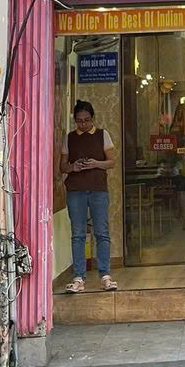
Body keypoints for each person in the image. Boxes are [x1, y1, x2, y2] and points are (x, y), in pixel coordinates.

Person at [60, 99, 117, 293]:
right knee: (78, 233)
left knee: (102, 232)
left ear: (93, 118)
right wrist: (73, 167)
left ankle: (105, 275)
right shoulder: (69, 138)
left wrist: (95, 163)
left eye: (86, 120)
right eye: (79, 121)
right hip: (75, 189)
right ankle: (79, 277)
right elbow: (62, 166)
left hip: (98, 188)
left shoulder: (102, 135)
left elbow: (112, 161)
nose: (83, 124)